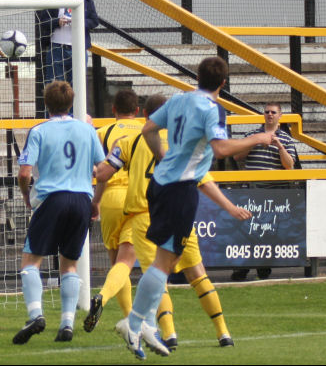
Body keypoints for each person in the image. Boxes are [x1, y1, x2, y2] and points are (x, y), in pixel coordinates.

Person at [115, 57, 273, 359]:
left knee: (165, 260)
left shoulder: (179, 99)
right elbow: (221, 149)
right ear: (223, 84)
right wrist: (257, 138)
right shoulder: (212, 108)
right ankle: (135, 323)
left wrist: (164, 157)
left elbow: (148, 129)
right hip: (179, 189)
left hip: (160, 185)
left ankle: (142, 322)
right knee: (165, 261)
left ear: (197, 76)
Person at [88, 94, 252, 355]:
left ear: (147, 116)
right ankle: (223, 333)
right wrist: (231, 208)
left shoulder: (130, 141)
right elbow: (205, 181)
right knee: (198, 274)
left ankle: (168, 333)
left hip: (144, 215)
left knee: (156, 274)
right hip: (179, 214)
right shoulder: (184, 143)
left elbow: (104, 172)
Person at [12, 81, 105, 344]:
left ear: (46, 104)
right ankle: (67, 323)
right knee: (70, 263)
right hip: (81, 200)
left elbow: (24, 172)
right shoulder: (87, 130)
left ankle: (36, 315)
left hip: (52, 198)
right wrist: (95, 200)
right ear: (71, 103)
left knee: (31, 261)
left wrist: (24, 194)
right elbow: (102, 168)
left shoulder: (39, 131)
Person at [82, 89, 143, 332]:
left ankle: (129, 317)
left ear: (113, 110)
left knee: (116, 262)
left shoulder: (102, 132)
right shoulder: (146, 131)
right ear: (137, 111)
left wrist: (95, 201)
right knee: (126, 262)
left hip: (109, 198)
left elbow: (98, 170)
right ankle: (110, 303)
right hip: (137, 198)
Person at [230, 102, 298, 281]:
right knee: (245, 230)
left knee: (267, 231)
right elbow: (237, 156)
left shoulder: (286, 138)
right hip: (252, 189)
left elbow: (289, 165)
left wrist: (278, 145)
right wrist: (256, 141)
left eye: (273, 112)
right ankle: (242, 268)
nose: (269, 115)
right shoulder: (252, 134)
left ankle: (263, 268)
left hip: (274, 191)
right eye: (267, 112)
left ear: (280, 116)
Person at [37, 0, 99, 87]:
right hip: (57, 48)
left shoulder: (85, 1)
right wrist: (57, 22)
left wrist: (79, 22)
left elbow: (94, 21)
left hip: (78, 48)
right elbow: (43, 21)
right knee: (55, 86)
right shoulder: (54, 0)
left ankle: (74, 107)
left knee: (77, 86)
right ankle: (56, 106)